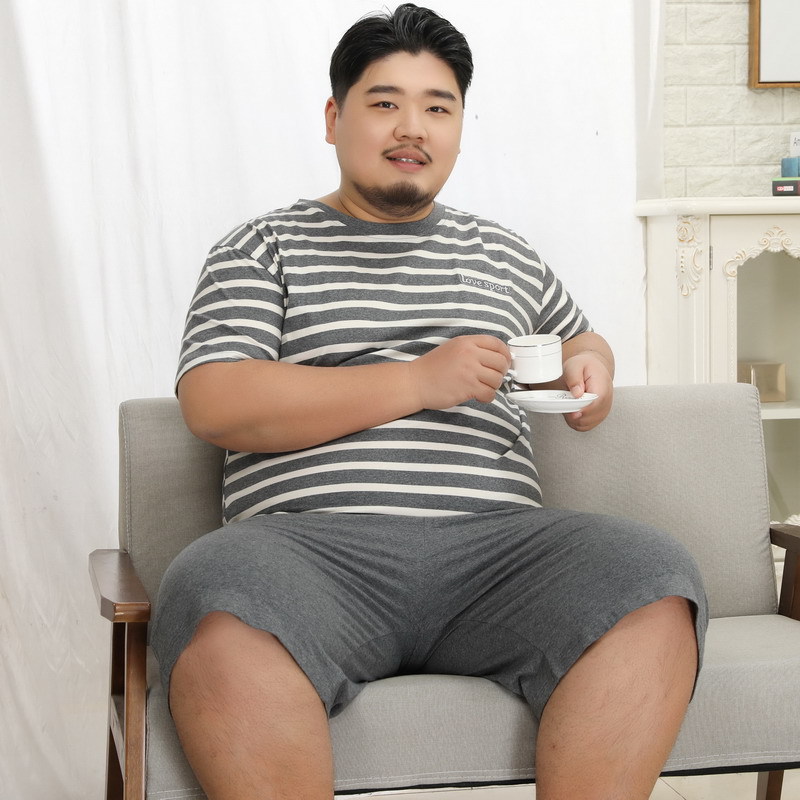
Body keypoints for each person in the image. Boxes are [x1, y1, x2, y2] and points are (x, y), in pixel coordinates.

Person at [151, 5, 708, 799]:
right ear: (334, 118)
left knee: (651, 577)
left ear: (458, 127)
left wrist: (592, 368)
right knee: (216, 593)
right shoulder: (261, 247)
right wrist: (417, 380)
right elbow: (214, 399)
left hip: (499, 555)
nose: (412, 127)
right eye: (384, 102)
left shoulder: (505, 253)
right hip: (306, 555)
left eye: (437, 108)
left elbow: (579, 338)